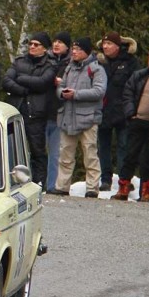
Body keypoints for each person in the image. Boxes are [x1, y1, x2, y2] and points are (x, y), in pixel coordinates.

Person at [49, 37, 106, 198]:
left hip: (88, 119)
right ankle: (62, 186)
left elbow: (99, 91)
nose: (74, 52)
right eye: (73, 48)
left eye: (78, 49)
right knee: (65, 154)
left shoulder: (96, 69)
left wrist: (76, 95)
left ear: (86, 52)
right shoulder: (69, 68)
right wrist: (62, 93)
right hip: (68, 118)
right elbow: (60, 86)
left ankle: (92, 188)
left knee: (90, 155)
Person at [111, 46, 149, 202]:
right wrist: (130, 114)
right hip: (137, 120)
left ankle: (147, 192)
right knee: (130, 156)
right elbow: (127, 93)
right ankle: (123, 188)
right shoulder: (139, 75)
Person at [2, 32, 57, 188]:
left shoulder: (50, 65)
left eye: (36, 44)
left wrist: (20, 78)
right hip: (16, 110)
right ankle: (11, 180)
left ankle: (39, 182)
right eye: (31, 44)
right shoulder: (19, 62)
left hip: (36, 113)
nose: (32, 47)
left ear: (44, 48)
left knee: (37, 150)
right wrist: (24, 90)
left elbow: (42, 83)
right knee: (10, 148)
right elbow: (6, 81)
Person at [97, 31, 140, 191]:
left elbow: (136, 86)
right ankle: (105, 179)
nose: (105, 46)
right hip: (103, 111)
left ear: (117, 46)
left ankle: (124, 179)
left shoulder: (130, 62)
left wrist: (132, 108)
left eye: (109, 44)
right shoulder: (99, 62)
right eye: (104, 43)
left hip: (123, 111)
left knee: (124, 147)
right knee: (104, 147)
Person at [45, 31, 72, 192]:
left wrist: (63, 83)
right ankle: (36, 183)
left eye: (60, 42)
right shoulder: (45, 60)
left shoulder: (71, 64)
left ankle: (52, 186)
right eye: (55, 41)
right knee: (37, 153)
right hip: (42, 111)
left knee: (55, 154)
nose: (56, 44)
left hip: (60, 113)